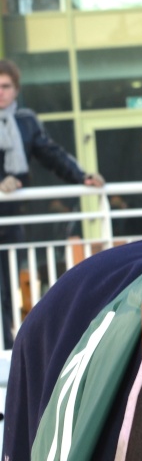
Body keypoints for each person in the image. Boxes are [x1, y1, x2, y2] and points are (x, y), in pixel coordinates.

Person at [0, 59, 104, 347]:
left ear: (16, 90)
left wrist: (82, 176)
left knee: (8, 289)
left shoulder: (25, 122)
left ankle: (9, 349)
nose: (1, 92)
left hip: (11, 222)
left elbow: (51, 154)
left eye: (6, 86)